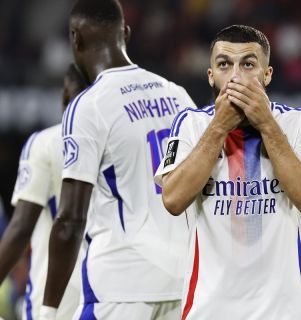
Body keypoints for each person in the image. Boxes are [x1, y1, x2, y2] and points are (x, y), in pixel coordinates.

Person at [155, 24, 301, 320]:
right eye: (224, 64)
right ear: (211, 75)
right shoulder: (191, 124)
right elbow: (173, 200)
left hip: (284, 311)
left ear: (267, 74)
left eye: (248, 64)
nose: (236, 76)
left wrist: (266, 124)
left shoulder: (298, 122)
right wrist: (219, 127)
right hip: (209, 310)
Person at [39, 0, 196, 319]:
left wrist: (48, 310)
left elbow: (70, 219)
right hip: (182, 282)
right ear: (125, 32)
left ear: (75, 39)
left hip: (120, 287)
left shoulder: (89, 106)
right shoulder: (178, 95)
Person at [0, 64, 87, 320]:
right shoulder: (121, 143)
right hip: (110, 293)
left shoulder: (47, 143)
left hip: (54, 298)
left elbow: (20, 229)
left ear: (65, 96)